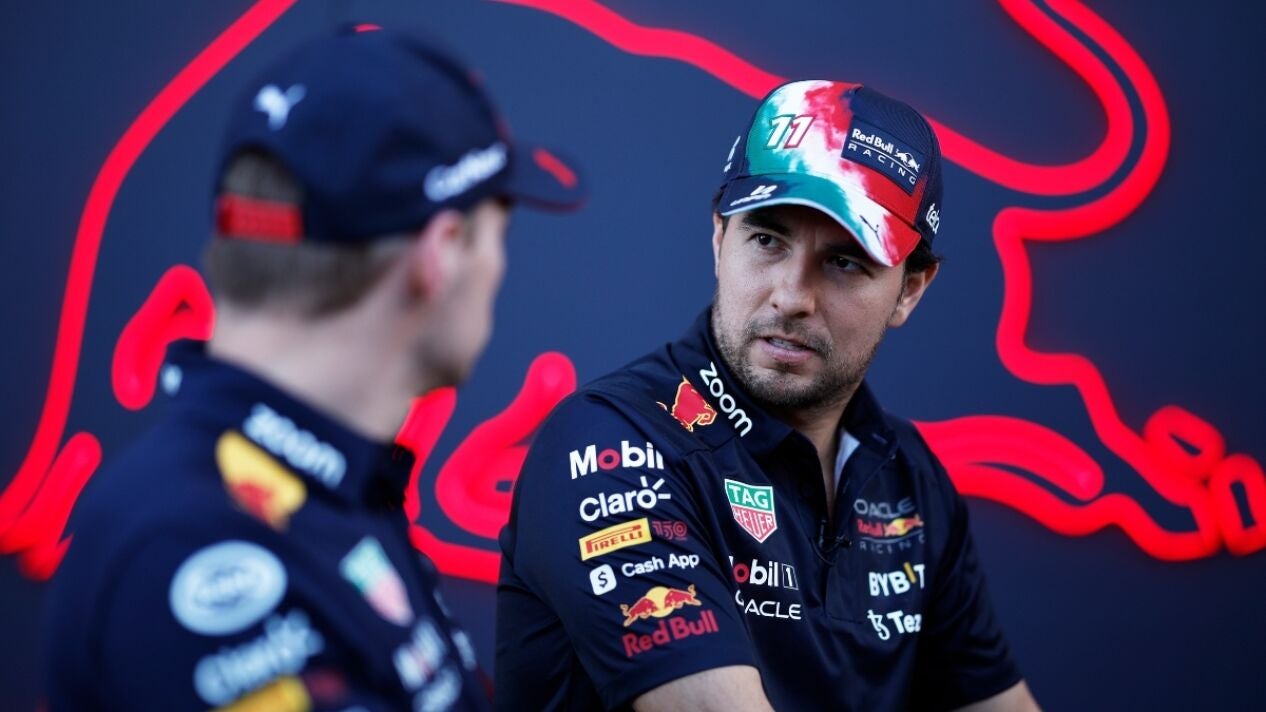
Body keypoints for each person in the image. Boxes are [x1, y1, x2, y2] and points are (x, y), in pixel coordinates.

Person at [40, 27, 583, 711]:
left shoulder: (327, 493)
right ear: (441, 254)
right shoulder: (192, 550)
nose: (500, 268)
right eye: (501, 233)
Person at [496, 80, 1039, 710]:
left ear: (911, 290)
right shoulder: (610, 443)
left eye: (844, 262)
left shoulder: (909, 477)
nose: (791, 296)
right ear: (718, 239)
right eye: (766, 239)